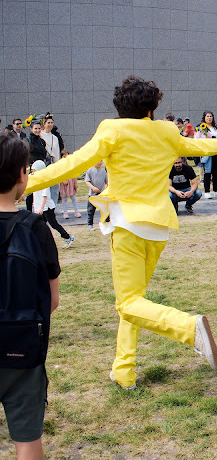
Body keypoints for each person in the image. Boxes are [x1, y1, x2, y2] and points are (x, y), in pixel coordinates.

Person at [24, 75, 217, 389]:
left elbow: (73, 164)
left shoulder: (113, 129)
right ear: (153, 107)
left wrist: (25, 184)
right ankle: (124, 371)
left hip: (127, 223)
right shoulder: (167, 131)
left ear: (119, 107)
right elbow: (200, 146)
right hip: (158, 227)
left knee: (128, 303)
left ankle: (188, 328)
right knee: (135, 301)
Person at [0, 132, 60, 460]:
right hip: (21, 351)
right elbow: (51, 301)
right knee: (27, 442)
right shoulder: (36, 228)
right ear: (23, 176)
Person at [31, 160, 75, 249]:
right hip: (40, 208)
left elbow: (44, 196)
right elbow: (35, 193)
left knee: (53, 224)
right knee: (39, 225)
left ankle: (68, 237)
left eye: (34, 171)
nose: (33, 173)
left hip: (47, 208)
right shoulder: (36, 181)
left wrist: (41, 208)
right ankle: (41, 242)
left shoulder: (44, 181)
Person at [197, 111, 217, 199]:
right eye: (207, 116)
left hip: (216, 152)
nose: (209, 118)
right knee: (207, 172)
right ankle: (207, 191)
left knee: (216, 172)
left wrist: (216, 140)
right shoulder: (202, 128)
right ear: (204, 118)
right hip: (207, 153)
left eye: (211, 116)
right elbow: (197, 138)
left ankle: (216, 190)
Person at [85, 160, 108, 231]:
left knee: (105, 209)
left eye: (101, 161)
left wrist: (106, 186)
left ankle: (106, 223)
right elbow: (87, 181)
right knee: (91, 210)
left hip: (102, 193)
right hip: (92, 194)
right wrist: (93, 188)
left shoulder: (104, 171)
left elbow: (107, 182)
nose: (100, 162)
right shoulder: (90, 170)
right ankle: (90, 224)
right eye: (98, 161)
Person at [58, 149, 81, 219]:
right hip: (64, 184)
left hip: (71, 182)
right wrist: (63, 180)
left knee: (73, 197)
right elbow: (59, 174)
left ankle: (76, 211)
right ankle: (65, 212)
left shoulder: (71, 164)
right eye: (64, 156)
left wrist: (75, 183)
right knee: (64, 198)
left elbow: (74, 174)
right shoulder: (60, 165)